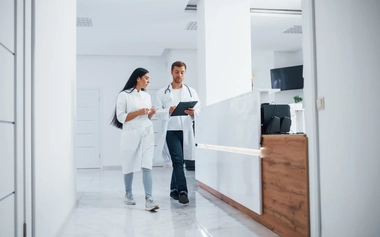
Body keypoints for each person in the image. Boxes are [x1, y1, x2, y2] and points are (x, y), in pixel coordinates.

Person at [110, 67, 159, 211]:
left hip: (147, 132)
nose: (148, 81)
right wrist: (139, 112)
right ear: (138, 78)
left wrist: (151, 114)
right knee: (128, 164)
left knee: (147, 165)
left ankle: (149, 199)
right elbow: (121, 117)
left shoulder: (147, 96)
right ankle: (128, 193)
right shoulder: (123, 95)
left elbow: (146, 117)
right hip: (130, 133)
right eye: (146, 78)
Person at [154, 61, 201, 204]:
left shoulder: (191, 91)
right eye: (176, 72)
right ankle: (183, 191)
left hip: (185, 130)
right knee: (178, 160)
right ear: (171, 72)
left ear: (185, 73)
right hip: (170, 130)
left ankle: (173, 189)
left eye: (182, 72)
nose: (179, 75)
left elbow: (199, 109)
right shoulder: (162, 92)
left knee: (179, 161)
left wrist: (193, 113)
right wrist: (167, 111)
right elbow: (157, 111)